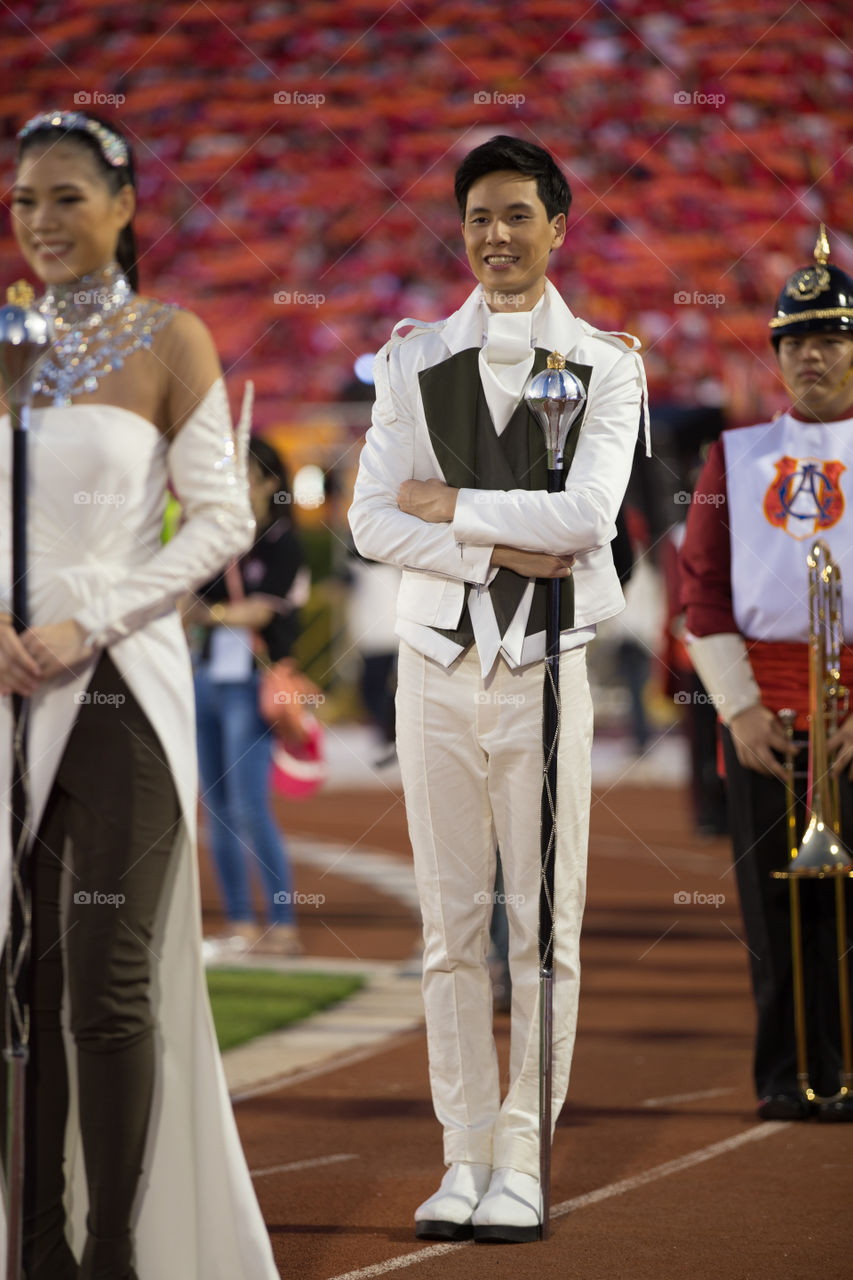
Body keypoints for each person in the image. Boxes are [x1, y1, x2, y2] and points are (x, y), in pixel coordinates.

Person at [349, 135, 647, 1242]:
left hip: (545, 667)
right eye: (478, 215)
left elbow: (584, 523)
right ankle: (462, 1153)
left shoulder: (607, 361)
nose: (496, 235)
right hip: (434, 662)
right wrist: (487, 546)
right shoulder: (412, 355)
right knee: (446, 929)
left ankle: (522, 1153)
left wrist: (451, 506)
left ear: (558, 225)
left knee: (543, 931)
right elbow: (370, 516)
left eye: (518, 214)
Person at [0, 111, 279, 1278]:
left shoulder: (173, 337)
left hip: (120, 689)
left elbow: (224, 516)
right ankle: (40, 1254)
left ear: (123, 205)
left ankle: (113, 1254)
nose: (42, 221)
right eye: (23, 201)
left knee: (106, 982)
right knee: (26, 980)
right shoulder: (4, 342)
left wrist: (93, 613)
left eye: (67, 196)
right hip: (11, 692)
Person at [680, 226, 853, 1123]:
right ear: (776, 355)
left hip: (852, 713)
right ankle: (785, 1074)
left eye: (830, 336)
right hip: (763, 717)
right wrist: (739, 710)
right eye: (794, 339)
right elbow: (700, 596)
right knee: (774, 912)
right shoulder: (732, 457)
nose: (811, 353)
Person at [188, 437, 308, 956]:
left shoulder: (284, 542)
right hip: (207, 675)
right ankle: (239, 922)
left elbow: (260, 611)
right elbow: (185, 594)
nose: (234, 483)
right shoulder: (219, 538)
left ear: (269, 483)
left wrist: (211, 614)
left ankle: (282, 924)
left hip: (252, 683)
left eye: (245, 473)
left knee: (249, 807)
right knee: (216, 809)